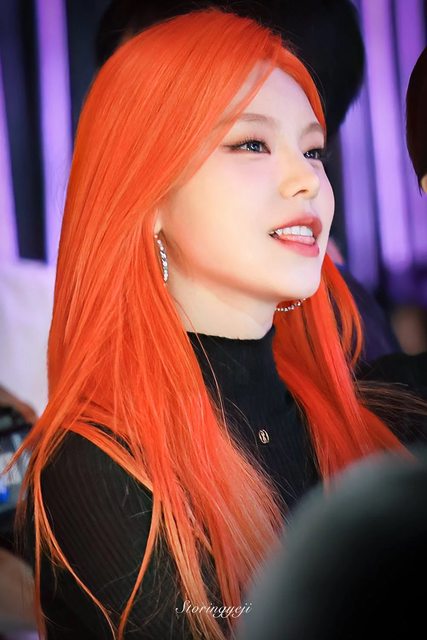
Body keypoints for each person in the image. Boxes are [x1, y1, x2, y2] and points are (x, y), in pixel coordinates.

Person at [8, 7, 427, 640]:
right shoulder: (99, 467)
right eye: (251, 144)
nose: (306, 181)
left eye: (313, 150)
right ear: (147, 193)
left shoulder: (377, 411)